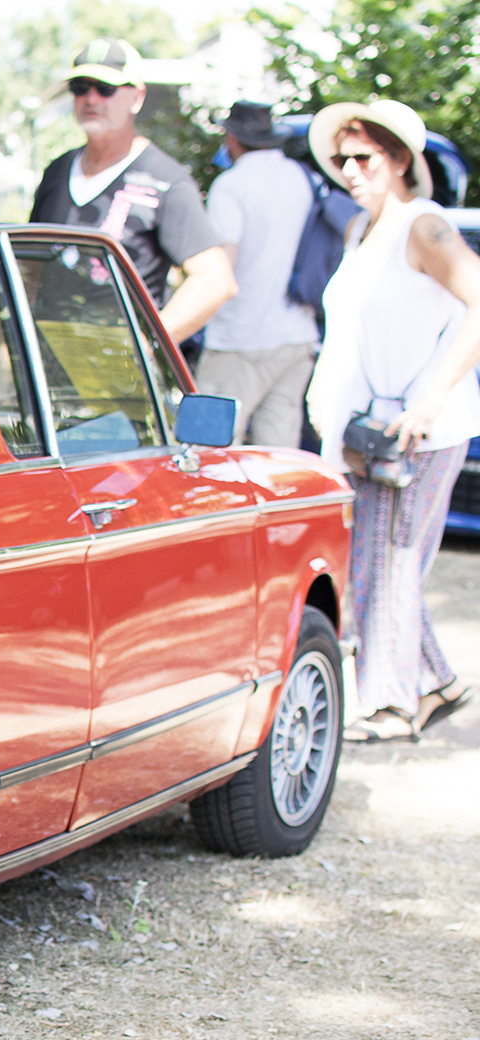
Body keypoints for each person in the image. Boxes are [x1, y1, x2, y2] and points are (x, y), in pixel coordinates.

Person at [303, 99, 479, 741]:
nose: (349, 169)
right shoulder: (361, 229)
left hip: (422, 431)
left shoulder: (422, 225)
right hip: (367, 432)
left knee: (392, 560)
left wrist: (431, 398)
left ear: (400, 159)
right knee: (372, 558)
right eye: (341, 158)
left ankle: (391, 705)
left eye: (364, 157)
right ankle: (435, 682)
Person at [29, 38, 236, 343]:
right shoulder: (57, 172)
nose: (91, 98)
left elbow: (215, 280)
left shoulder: (166, 181)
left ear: (136, 96)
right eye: (80, 87)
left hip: (118, 363)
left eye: (106, 88)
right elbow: (30, 268)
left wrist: (149, 345)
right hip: (45, 355)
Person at [197, 102, 320, 447]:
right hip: (296, 334)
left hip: (240, 336)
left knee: (209, 448)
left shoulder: (231, 185)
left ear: (232, 138)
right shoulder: (302, 177)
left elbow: (223, 268)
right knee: (276, 454)